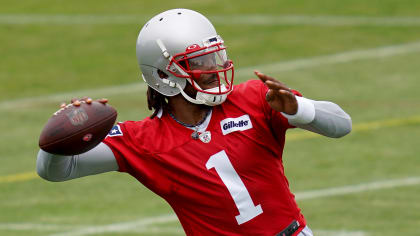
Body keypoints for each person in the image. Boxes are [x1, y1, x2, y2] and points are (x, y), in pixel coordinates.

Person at [36, 9, 352, 236]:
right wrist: (60, 136)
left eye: (215, 57)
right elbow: (58, 171)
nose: (214, 69)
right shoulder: (144, 141)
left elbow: (341, 125)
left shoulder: (255, 98)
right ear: (163, 75)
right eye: (199, 63)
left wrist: (300, 108)